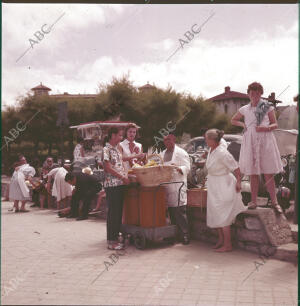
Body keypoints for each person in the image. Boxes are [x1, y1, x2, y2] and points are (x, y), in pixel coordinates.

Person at [231, 82, 283, 214]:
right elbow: (233, 120)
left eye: (257, 93)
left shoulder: (266, 106)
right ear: (248, 94)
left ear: (261, 93)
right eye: (252, 93)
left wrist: (266, 128)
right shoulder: (245, 109)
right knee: (253, 173)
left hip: (265, 140)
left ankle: (275, 202)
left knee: (268, 173)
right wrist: (243, 125)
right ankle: (253, 201)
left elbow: (275, 124)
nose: (254, 95)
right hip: (250, 141)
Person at [205, 129, 246, 252]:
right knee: (215, 212)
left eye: (207, 139)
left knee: (223, 214)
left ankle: (228, 244)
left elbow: (237, 169)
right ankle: (221, 240)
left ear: (213, 140)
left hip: (224, 185)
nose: (205, 141)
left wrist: (238, 182)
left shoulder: (223, 153)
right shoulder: (211, 150)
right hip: (213, 184)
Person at [161, 133, 191, 245]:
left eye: (168, 139)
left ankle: (185, 235)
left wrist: (178, 168)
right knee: (171, 212)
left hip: (178, 185)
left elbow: (187, 168)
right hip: (168, 185)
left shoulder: (181, 153)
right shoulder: (162, 153)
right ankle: (173, 235)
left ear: (174, 139)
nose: (167, 142)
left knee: (180, 212)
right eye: (165, 140)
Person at [103, 127, 129, 250]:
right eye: (119, 135)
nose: (121, 138)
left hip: (120, 184)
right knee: (113, 213)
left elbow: (120, 164)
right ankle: (111, 241)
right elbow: (107, 167)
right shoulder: (106, 149)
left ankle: (115, 237)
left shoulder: (117, 149)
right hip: (112, 185)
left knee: (117, 213)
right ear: (113, 135)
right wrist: (122, 177)